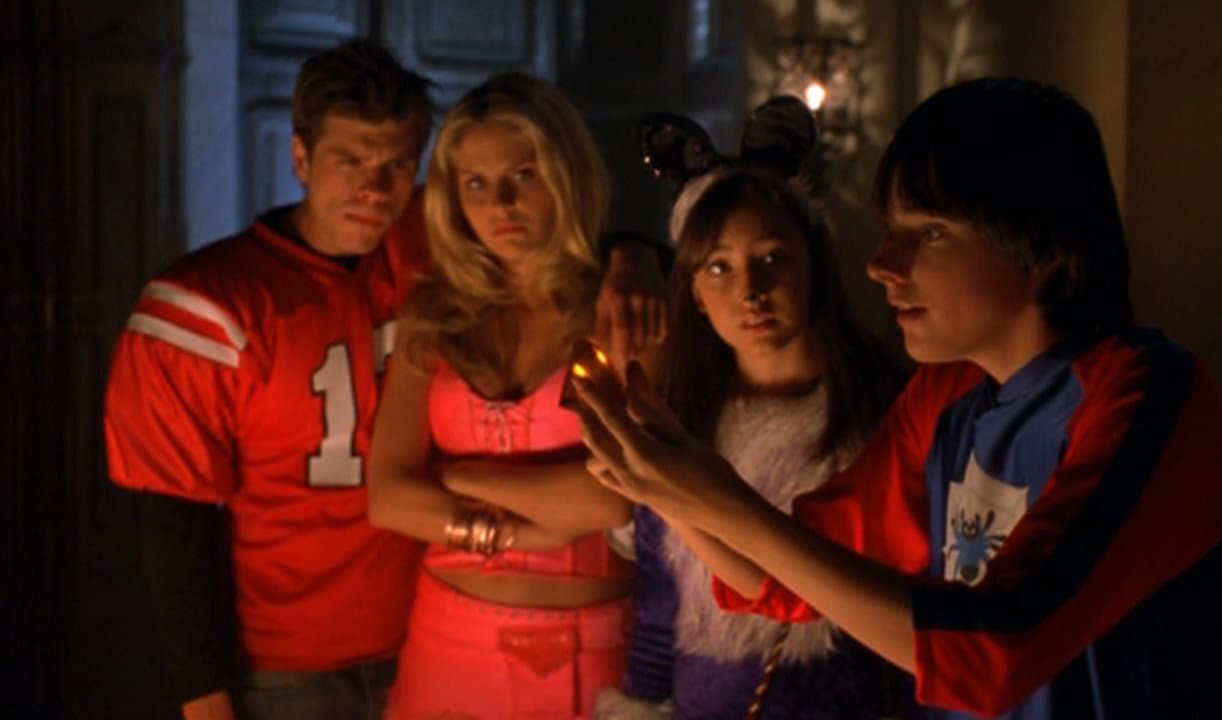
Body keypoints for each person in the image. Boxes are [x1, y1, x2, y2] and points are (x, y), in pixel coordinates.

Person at [573, 77, 1222, 719]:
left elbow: (1001, 646)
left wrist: (714, 494)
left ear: (1043, 244)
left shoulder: (1150, 396)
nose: (882, 264)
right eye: (889, 228)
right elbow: (788, 571)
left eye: (929, 232)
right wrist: (664, 485)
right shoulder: (948, 394)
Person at [103, 42, 666, 720]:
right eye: (349, 161)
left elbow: (552, 222)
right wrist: (204, 697)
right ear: (300, 157)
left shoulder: (432, 243)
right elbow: (174, 525)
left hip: (422, 626)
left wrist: (636, 258)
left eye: (396, 166)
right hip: (286, 662)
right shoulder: (209, 303)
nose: (373, 188)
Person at [595, 99, 904, 719]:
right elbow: (659, 611)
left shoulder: (887, 414)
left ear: (813, 264)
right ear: (694, 294)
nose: (750, 290)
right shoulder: (682, 425)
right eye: (719, 267)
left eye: (772, 258)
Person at [367, 72, 659, 720]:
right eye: (475, 184)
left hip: (592, 650)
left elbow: (613, 498)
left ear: (565, 174)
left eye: (522, 176)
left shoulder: (618, 308)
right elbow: (387, 497)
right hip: (444, 647)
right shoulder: (433, 315)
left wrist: (457, 475)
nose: (499, 204)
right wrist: (526, 524)